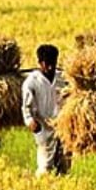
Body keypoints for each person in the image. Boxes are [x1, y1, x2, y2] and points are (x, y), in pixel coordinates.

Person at [22, 44, 69, 176]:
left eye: (52, 63)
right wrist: (30, 121)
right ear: (39, 63)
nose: (50, 67)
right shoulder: (31, 82)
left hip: (63, 127)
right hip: (43, 127)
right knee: (45, 167)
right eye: (46, 64)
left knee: (64, 166)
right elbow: (26, 107)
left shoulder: (63, 79)